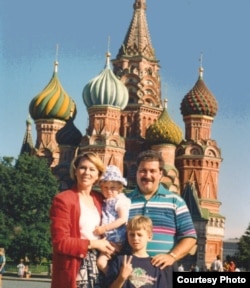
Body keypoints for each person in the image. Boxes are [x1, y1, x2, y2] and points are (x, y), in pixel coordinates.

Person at [127, 150, 197, 288]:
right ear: (136, 172)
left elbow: (189, 237)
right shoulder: (125, 201)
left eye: (152, 171)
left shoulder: (175, 201)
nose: (147, 175)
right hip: (131, 269)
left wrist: (172, 256)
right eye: (143, 171)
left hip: (163, 270)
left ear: (161, 174)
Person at [50, 152, 116, 288]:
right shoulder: (64, 199)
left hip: (100, 263)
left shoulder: (100, 199)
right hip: (76, 266)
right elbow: (60, 242)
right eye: (82, 168)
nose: (86, 172)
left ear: (98, 175)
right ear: (75, 171)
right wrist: (94, 244)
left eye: (92, 169)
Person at [105, 215, 168, 288]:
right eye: (132, 235)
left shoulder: (155, 265)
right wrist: (121, 278)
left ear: (149, 237)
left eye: (139, 235)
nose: (135, 238)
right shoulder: (120, 261)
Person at [93, 165, 131, 273]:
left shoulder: (120, 200)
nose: (109, 191)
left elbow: (123, 219)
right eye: (105, 187)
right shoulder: (107, 201)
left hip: (117, 238)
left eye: (113, 188)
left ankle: (115, 280)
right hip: (108, 239)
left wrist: (104, 229)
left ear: (120, 188)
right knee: (105, 262)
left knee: (101, 262)